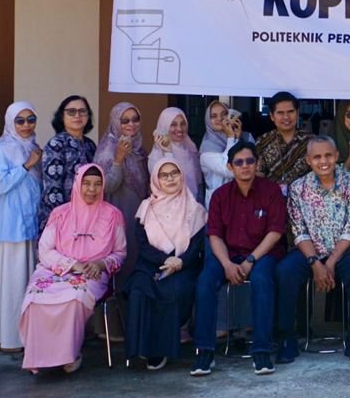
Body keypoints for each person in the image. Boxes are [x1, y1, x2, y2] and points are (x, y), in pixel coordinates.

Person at [191, 140, 302, 376]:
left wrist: (251, 260)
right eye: (239, 162)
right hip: (228, 254)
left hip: (263, 254)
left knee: (262, 280)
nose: (245, 166)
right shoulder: (220, 196)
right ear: (230, 167)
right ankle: (204, 352)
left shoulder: (271, 191)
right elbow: (214, 235)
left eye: (250, 161)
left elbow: (275, 232)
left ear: (257, 163)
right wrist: (226, 264)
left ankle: (261, 351)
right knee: (205, 281)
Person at [19, 164, 126, 374]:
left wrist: (100, 264)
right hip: (54, 270)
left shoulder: (113, 215)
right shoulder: (60, 213)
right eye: (86, 184)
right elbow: (45, 250)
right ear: (77, 184)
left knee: (75, 297)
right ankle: (38, 356)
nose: (92, 189)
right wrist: (71, 264)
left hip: (92, 273)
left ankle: (69, 355)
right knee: (35, 297)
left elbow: (120, 253)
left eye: (97, 184)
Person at [287, 136, 350, 362]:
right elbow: (298, 230)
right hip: (309, 250)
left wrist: (331, 262)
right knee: (284, 272)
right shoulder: (298, 188)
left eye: (328, 155)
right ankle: (289, 337)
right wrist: (315, 263)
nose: (323, 161)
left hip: (344, 250)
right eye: (317, 157)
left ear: (337, 156)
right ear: (308, 160)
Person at [123, 158, 206, 369]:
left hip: (183, 266)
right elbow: (142, 244)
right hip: (151, 263)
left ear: (182, 176)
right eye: (164, 175)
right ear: (155, 180)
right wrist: (164, 259)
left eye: (174, 173)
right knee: (138, 290)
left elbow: (196, 245)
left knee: (174, 290)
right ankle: (142, 346)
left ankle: (160, 350)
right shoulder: (146, 207)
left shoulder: (195, 209)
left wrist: (179, 261)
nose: (170, 179)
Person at [0, 102, 42, 351]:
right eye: (20, 121)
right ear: (10, 122)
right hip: (11, 226)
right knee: (12, 282)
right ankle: (9, 337)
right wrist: (27, 165)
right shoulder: (1, 149)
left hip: (28, 221)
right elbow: (0, 185)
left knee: (27, 280)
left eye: (31, 119)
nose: (26, 125)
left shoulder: (32, 146)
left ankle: (28, 334)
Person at [39, 95, 95, 233]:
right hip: (62, 221)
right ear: (62, 116)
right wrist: (64, 221)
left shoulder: (90, 145)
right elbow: (53, 188)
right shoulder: (56, 144)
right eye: (71, 112)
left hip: (88, 216)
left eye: (82, 111)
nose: (77, 115)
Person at [96, 102, 150, 226]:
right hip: (118, 214)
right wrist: (119, 159)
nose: (131, 124)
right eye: (125, 121)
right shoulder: (107, 151)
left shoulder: (138, 148)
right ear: (115, 122)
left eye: (135, 119)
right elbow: (107, 187)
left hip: (140, 212)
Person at [255, 91, 310, 192]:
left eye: (290, 111)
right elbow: (258, 176)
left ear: (297, 113)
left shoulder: (310, 141)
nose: (286, 117)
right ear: (272, 116)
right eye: (280, 113)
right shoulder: (262, 142)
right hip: (271, 196)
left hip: (304, 197)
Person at [150, 107, 204, 204]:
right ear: (164, 126)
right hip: (171, 207)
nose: (179, 129)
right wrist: (168, 152)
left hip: (193, 205)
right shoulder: (156, 156)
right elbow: (167, 183)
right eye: (173, 124)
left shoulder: (190, 148)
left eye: (183, 124)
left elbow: (198, 183)